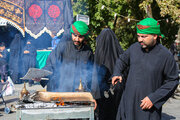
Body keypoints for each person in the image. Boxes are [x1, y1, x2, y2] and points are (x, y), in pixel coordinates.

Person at [112, 18, 179, 120]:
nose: (140, 40)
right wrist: (117, 73)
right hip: (127, 106)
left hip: (148, 110)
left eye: (144, 36)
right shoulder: (134, 48)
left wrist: (153, 98)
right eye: (138, 36)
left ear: (155, 36)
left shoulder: (165, 55)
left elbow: (173, 81)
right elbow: (122, 60)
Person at [35, 21, 99, 100]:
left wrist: (91, 95)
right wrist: (41, 74)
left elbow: (90, 74)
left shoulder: (88, 52)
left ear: (84, 37)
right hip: (61, 89)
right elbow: (51, 64)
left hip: (78, 92)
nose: (77, 39)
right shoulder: (63, 47)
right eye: (75, 35)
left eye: (80, 37)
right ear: (71, 34)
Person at [93, 28, 125, 120]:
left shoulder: (98, 55)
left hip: (102, 93)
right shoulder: (121, 55)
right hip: (118, 92)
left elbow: (94, 76)